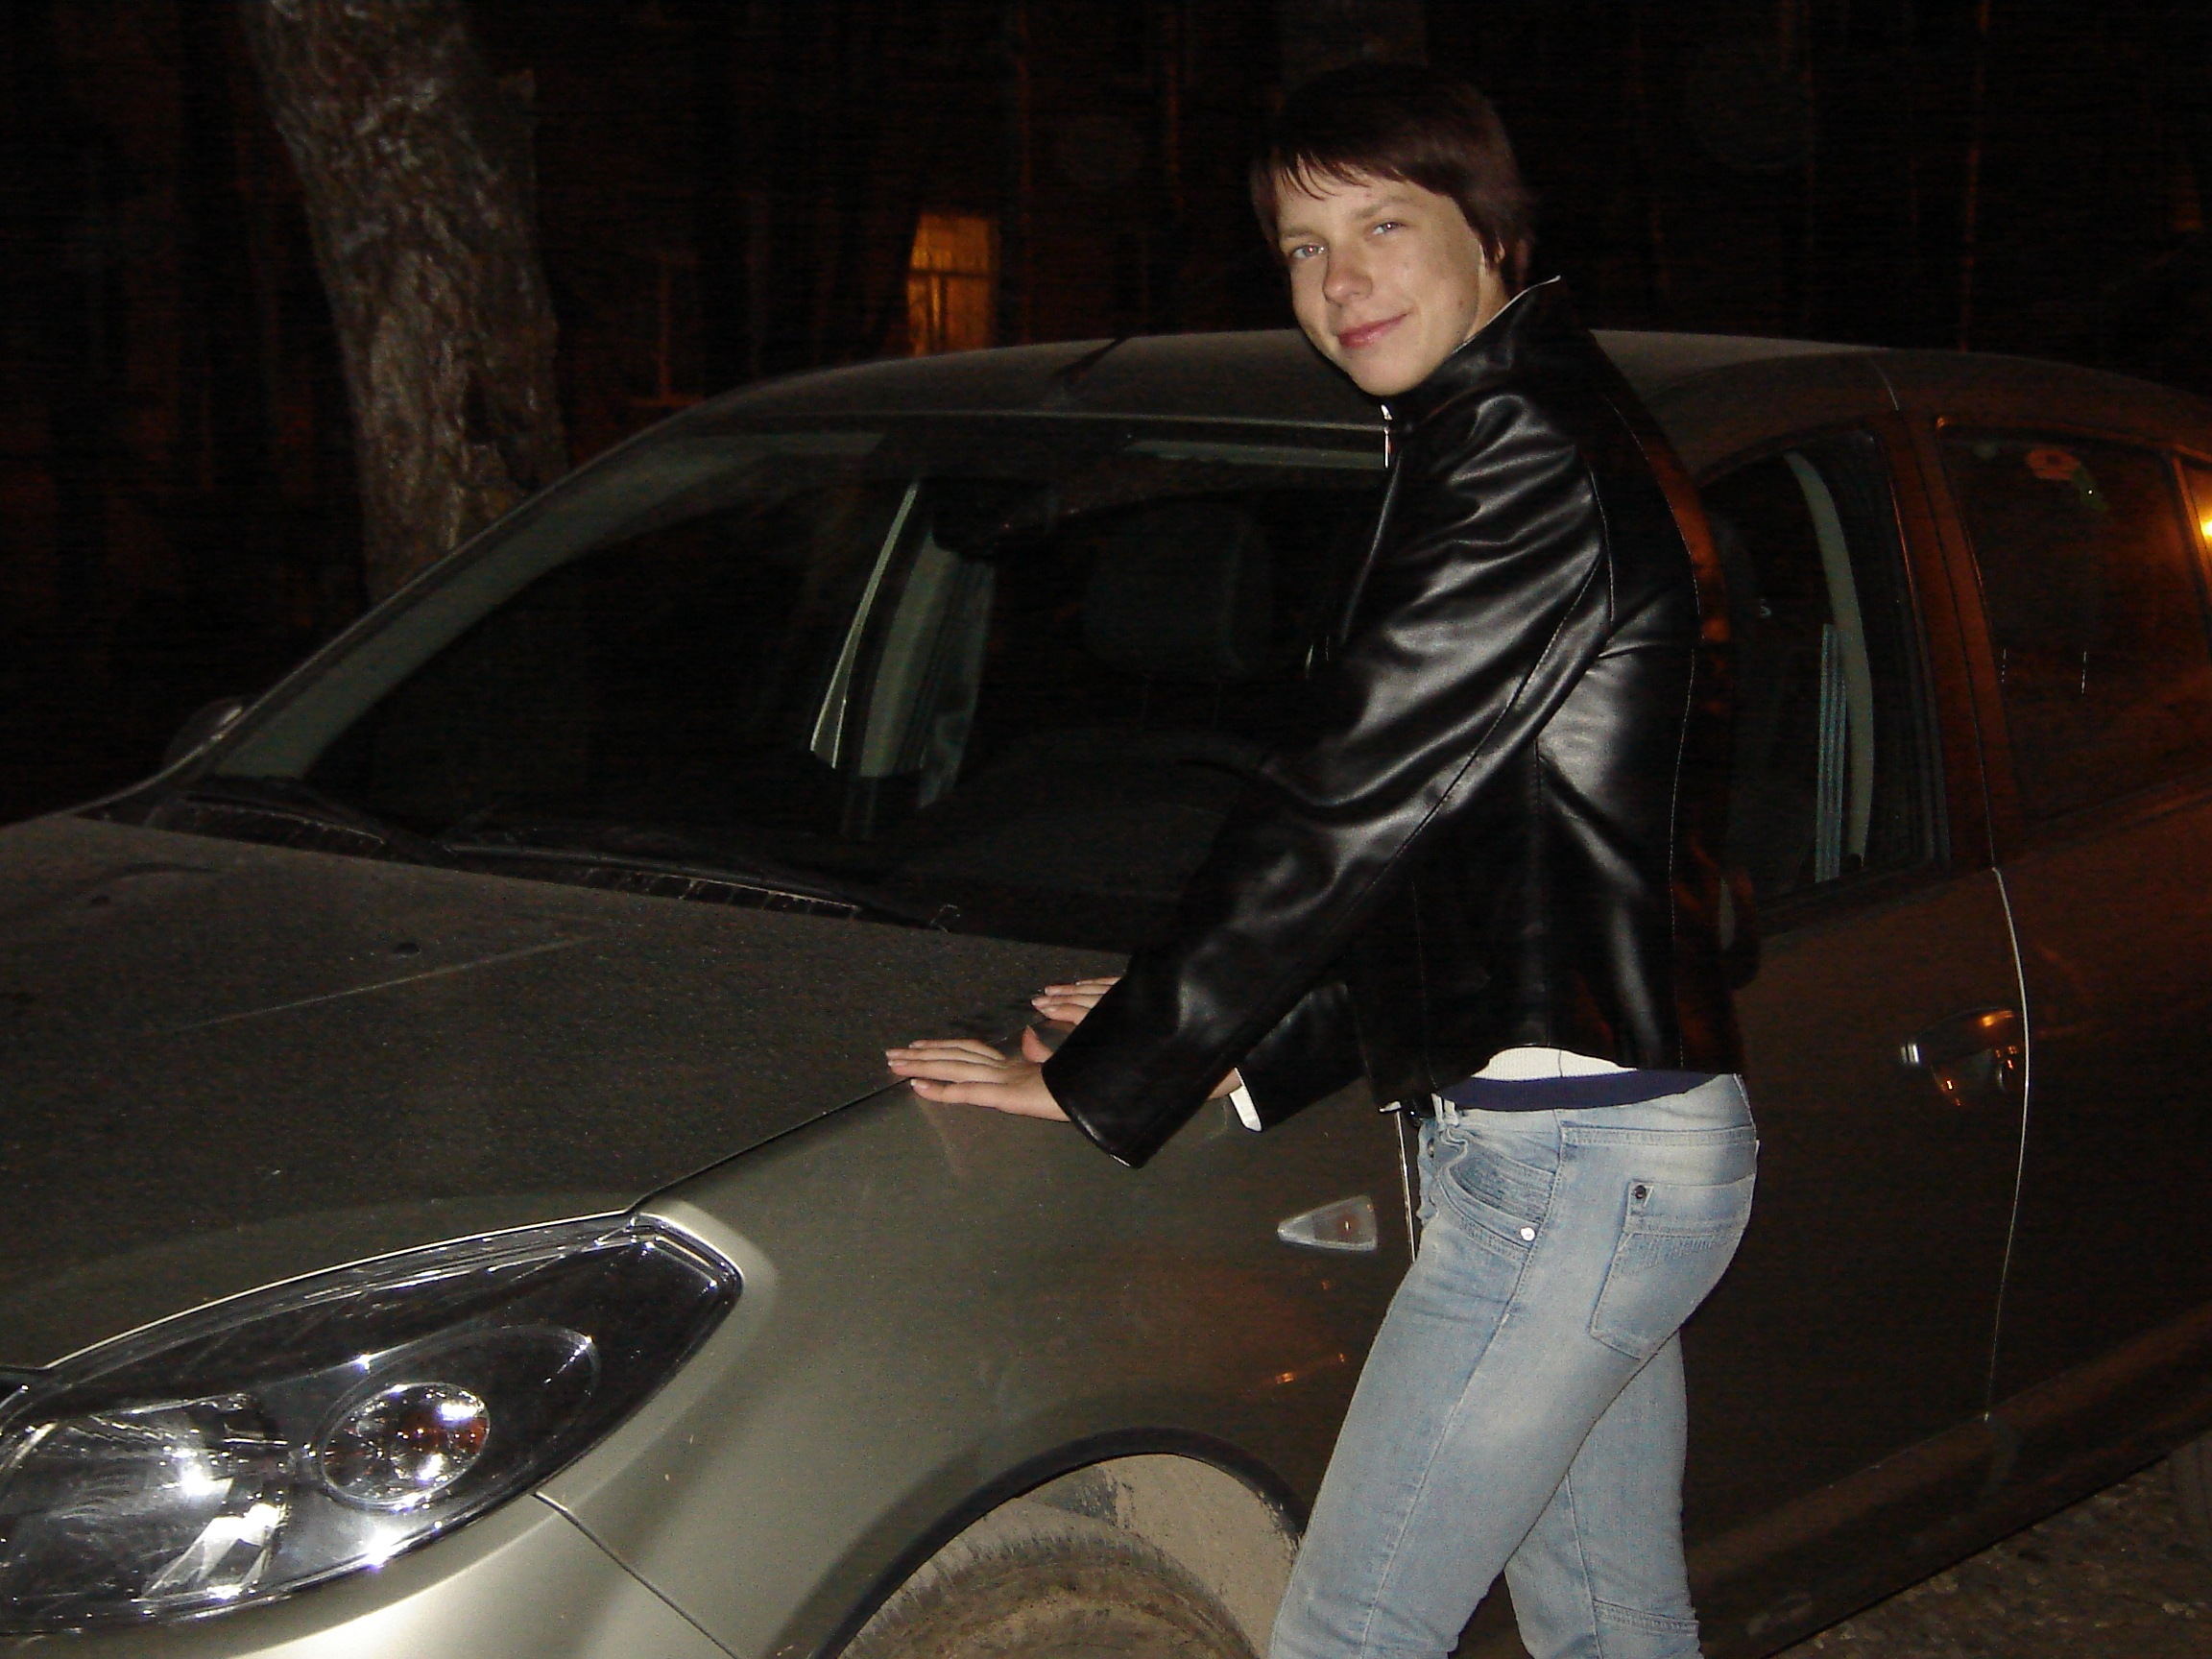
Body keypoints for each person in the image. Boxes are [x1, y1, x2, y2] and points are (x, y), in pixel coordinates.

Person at [888, 61, 1751, 1659]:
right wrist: (1241, 1048)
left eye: (1382, 225)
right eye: (1301, 246)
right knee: (1608, 1621)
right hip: (1599, 1153)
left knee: (1352, 1633)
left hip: (1571, 1171)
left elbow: (1343, 804)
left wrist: (1125, 1063)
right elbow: (1478, 869)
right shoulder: (1516, 428)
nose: (1339, 280)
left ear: (1493, 233)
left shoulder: (1518, 455)